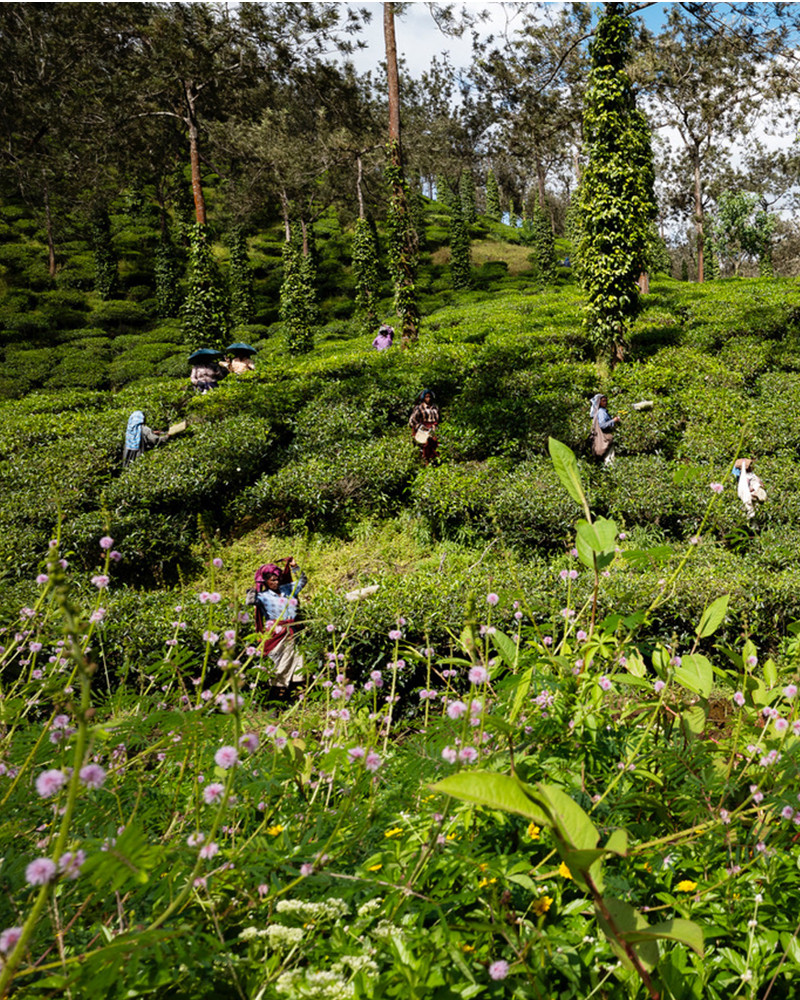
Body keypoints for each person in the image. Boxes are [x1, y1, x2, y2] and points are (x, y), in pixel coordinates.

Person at [246, 558, 307, 687]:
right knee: (278, 662)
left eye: (277, 579)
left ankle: (295, 688)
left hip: (292, 631)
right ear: (266, 582)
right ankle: (275, 689)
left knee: (295, 661)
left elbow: (303, 580)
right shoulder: (262, 596)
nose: (276, 582)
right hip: (276, 633)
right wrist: (251, 593)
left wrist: (295, 567)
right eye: (272, 580)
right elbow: (250, 602)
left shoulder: (288, 589)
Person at [409, 388, 440, 466]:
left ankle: (435, 462)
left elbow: (438, 420)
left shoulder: (435, 408)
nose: (428, 399)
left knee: (435, 445)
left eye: (429, 397)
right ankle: (425, 462)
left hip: (433, 429)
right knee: (425, 445)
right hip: (422, 430)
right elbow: (412, 420)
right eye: (426, 397)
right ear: (423, 398)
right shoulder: (419, 408)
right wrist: (421, 427)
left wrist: (434, 427)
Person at [589, 393, 620, 465]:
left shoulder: (601, 412)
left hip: (605, 439)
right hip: (605, 439)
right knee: (609, 461)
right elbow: (603, 425)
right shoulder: (601, 412)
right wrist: (614, 421)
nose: (605, 402)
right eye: (603, 401)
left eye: (606, 401)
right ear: (599, 402)